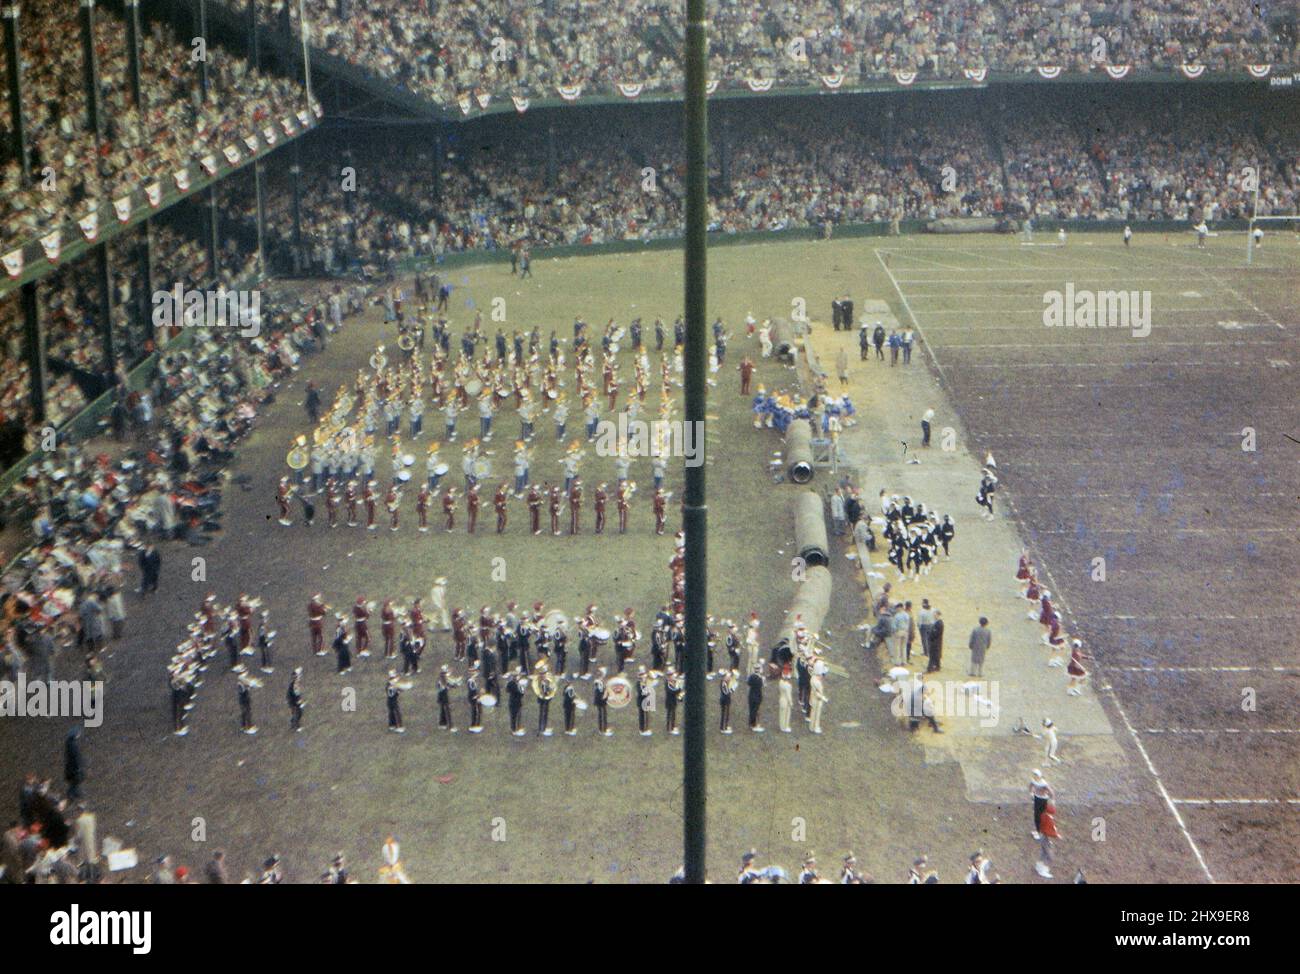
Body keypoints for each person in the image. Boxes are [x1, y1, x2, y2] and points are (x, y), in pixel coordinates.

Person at [1030, 769, 1055, 839]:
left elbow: (1051, 791)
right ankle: (1038, 830)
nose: (1035, 776)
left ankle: (1040, 831)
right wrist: (1031, 793)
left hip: (1043, 800)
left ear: (1039, 776)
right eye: (1034, 774)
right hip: (1036, 798)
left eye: (1036, 775)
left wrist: (1052, 800)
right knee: (1036, 815)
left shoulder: (1043, 783)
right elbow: (1030, 786)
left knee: (1041, 815)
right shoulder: (1033, 781)